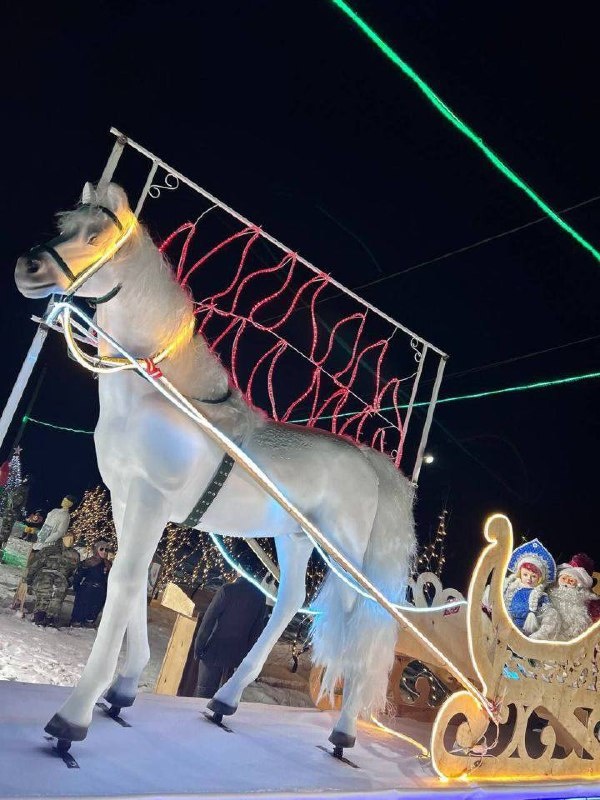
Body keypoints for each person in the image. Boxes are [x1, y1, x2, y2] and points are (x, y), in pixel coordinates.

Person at [194, 576, 267, 698]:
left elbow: (208, 620)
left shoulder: (227, 590)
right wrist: (247, 658)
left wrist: (198, 647)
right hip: (236, 656)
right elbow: (256, 632)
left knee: (204, 694)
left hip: (214, 652)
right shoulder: (260, 597)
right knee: (226, 697)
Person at [502, 538, 557, 637]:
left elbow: (548, 614)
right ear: (520, 573)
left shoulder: (541, 596)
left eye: (533, 576)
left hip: (526, 633)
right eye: (525, 574)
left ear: (539, 578)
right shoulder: (510, 587)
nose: (529, 579)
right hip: (505, 626)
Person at [26, 531, 80, 627]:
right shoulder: (49, 550)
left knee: (58, 595)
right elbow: (35, 564)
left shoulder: (74, 555)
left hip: (62, 578)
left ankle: (51, 618)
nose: (70, 540)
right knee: (45, 591)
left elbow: (75, 572)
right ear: (62, 538)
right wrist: (28, 578)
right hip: (45, 574)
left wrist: (69, 581)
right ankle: (39, 616)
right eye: (68, 537)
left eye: (73, 539)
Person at [543, 553, 599, 641]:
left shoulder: (589, 602)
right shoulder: (546, 595)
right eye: (564, 578)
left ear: (579, 585)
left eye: (571, 580)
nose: (566, 582)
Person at [70, 540, 112, 627]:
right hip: (88, 587)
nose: (104, 552)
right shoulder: (89, 562)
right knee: (83, 602)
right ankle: (77, 620)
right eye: (101, 549)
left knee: (97, 604)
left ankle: (90, 620)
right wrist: (76, 586)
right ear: (96, 550)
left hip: (101, 589)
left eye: (106, 550)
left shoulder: (108, 564)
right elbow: (79, 575)